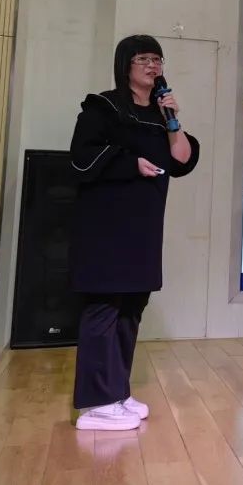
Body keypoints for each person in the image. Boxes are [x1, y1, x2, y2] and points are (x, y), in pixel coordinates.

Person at [68, 35, 200, 431]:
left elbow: (181, 159)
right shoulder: (103, 106)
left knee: (130, 309)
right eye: (143, 59)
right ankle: (95, 405)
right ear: (125, 64)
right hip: (106, 227)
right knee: (103, 308)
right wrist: (131, 163)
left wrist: (173, 119)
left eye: (157, 59)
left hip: (143, 228)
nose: (152, 66)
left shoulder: (161, 115)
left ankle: (116, 392)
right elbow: (81, 157)